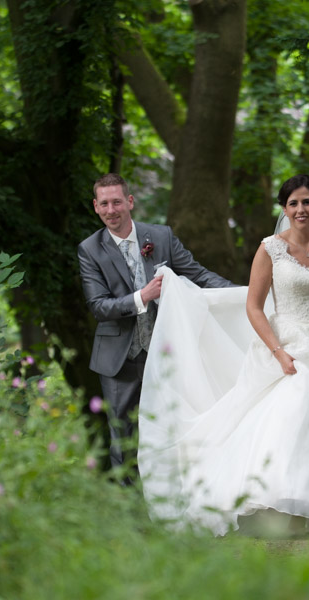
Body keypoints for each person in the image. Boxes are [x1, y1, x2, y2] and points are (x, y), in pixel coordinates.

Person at [138, 174, 309, 539]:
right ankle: (286, 505)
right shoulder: (270, 249)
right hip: (288, 343)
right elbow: (254, 307)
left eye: (307, 202)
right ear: (284, 209)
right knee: (297, 409)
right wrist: (279, 352)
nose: (300, 209)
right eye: (293, 203)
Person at [78, 173, 235, 476]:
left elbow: (199, 275)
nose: (111, 210)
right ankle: (127, 501)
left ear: (130, 201)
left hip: (166, 354)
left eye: (117, 202)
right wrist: (143, 295)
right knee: (124, 439)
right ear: (96, 207)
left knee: (175, 428)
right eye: (104, 204)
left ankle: (175, 493)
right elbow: (99, 306)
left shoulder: (160, 237)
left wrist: (245, 294)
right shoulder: (90, 249)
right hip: (120, 360)